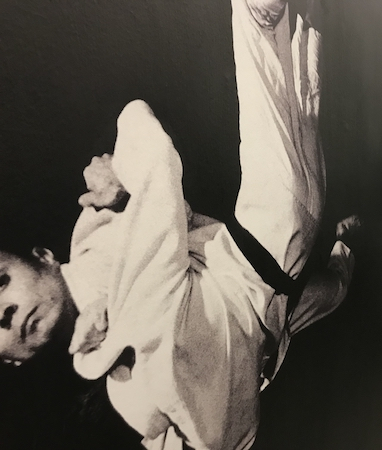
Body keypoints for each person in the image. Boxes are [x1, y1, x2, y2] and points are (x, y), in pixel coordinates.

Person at [0, 0, 358, 448]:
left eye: (1, 281)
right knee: (336, 288)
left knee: (268, 37)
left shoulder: (98, 231)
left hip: (262, 254)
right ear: (11, 362)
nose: (5, 312)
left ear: (43, 256)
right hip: (270, 332)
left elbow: (149, 146)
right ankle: (348, 246)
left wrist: (123, 183)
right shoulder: (102, 398)